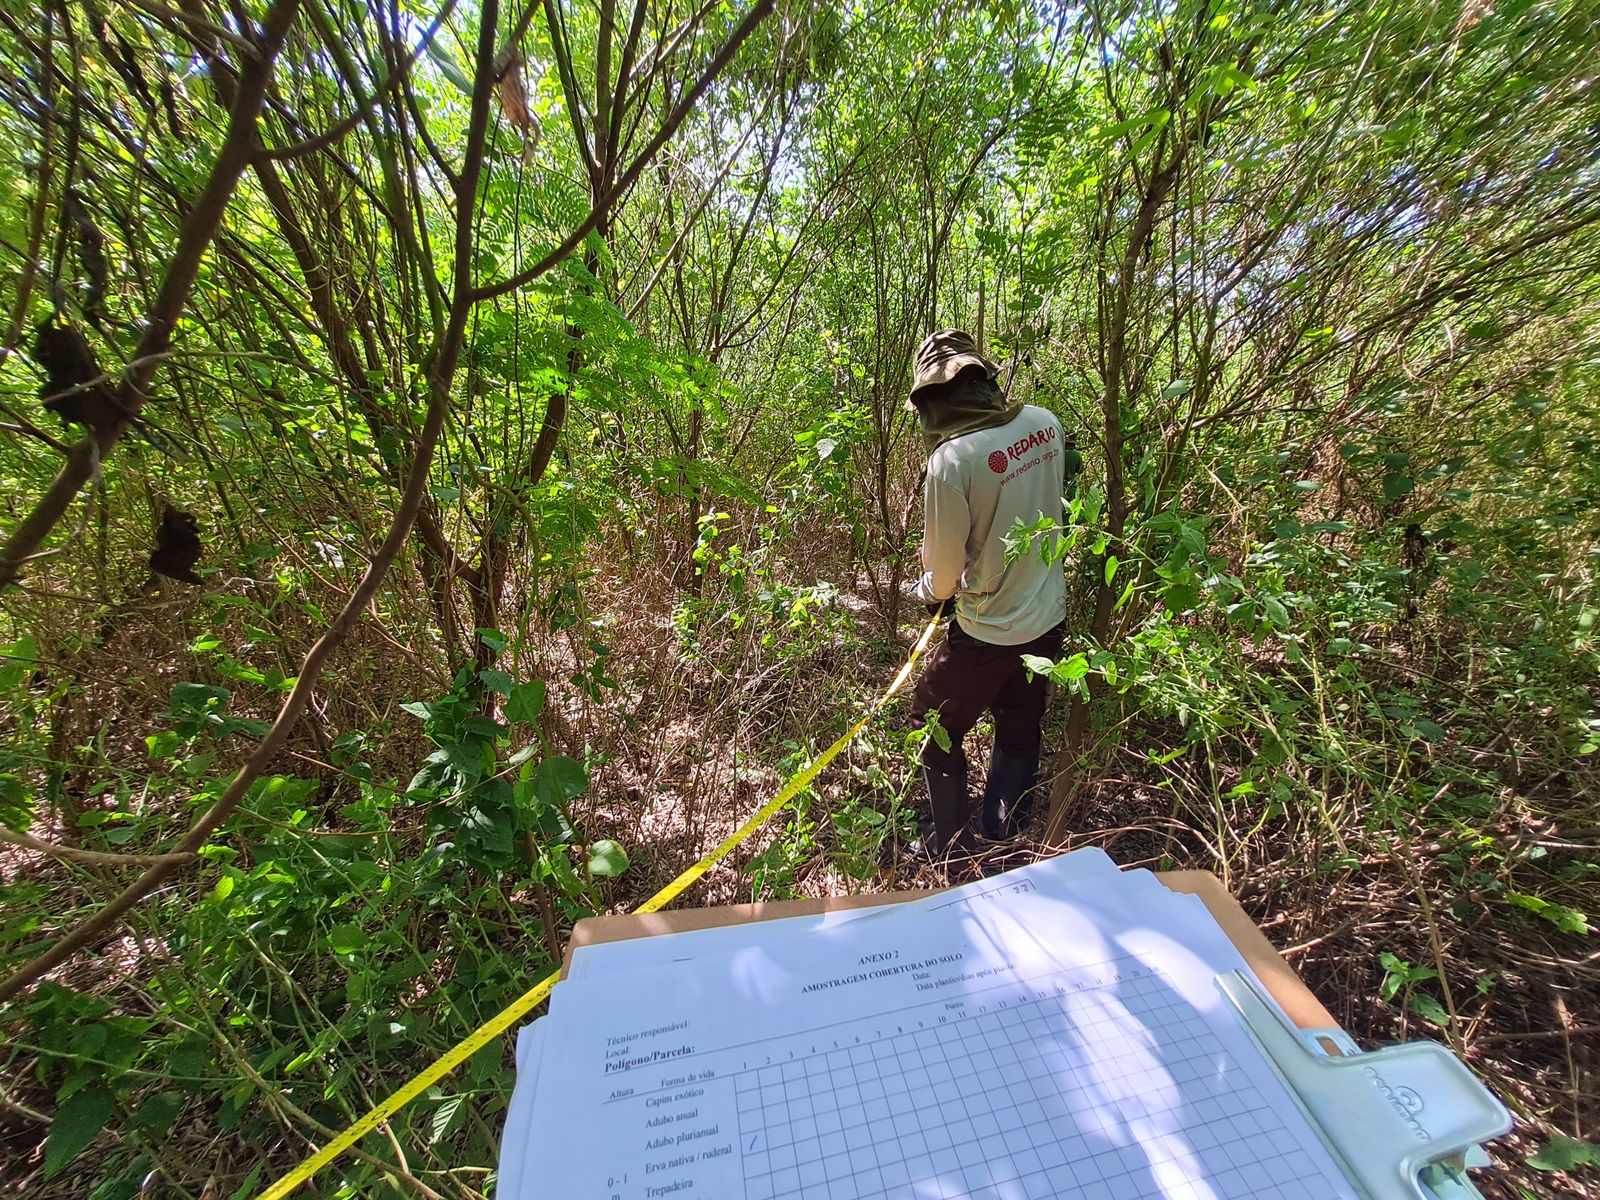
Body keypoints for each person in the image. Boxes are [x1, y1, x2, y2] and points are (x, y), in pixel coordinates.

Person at [905, 329, 1067, 856]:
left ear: (932, 397)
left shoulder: (951, 461)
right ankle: (1005, 828)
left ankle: (948, 843)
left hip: (987, 630)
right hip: (1048, 617)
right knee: (1021, 720)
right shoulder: (1044, 422)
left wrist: (928, 591)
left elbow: (945, 570)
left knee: (934, 723)